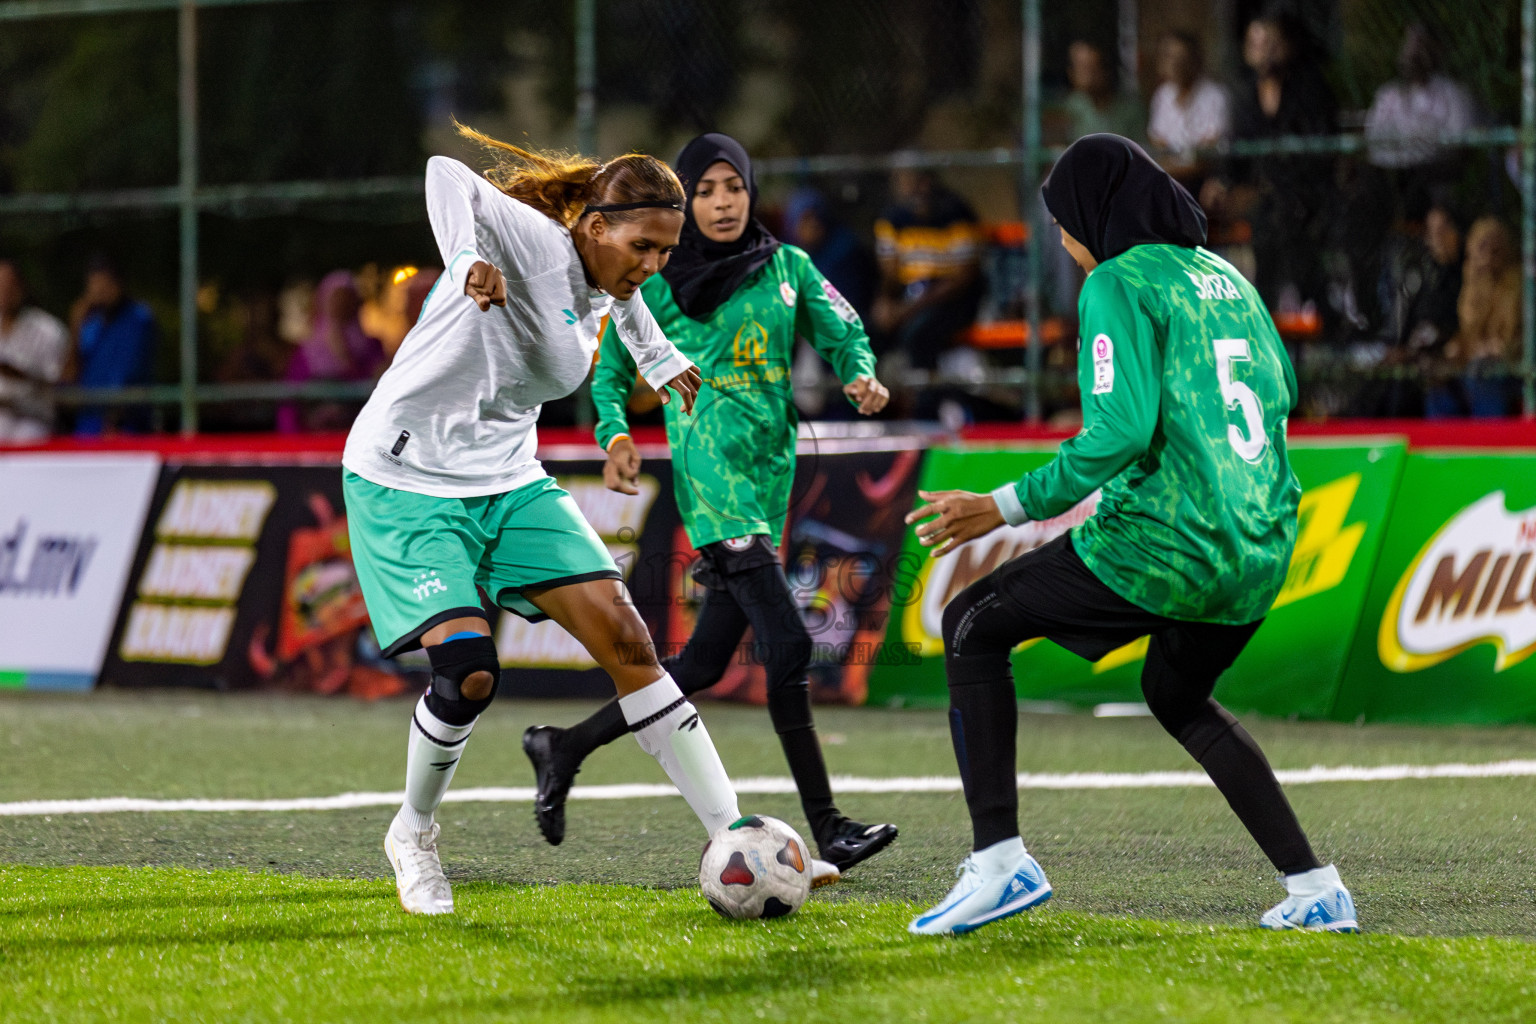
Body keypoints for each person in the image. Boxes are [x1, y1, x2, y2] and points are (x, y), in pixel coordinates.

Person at [904, 135, 1356, 937]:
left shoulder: (1118, 281)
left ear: (1092, 214)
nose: (1068, 247)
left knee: (971, 623)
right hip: (1258, 548)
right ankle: (1316, 886)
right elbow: (1282, 388)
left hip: (1165, 543)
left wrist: (1003, 504)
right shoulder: (1226, 277)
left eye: (1064, 227)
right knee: (1175, 693)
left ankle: (1001, 862)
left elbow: (1116, 433)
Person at [341, 125, 741, 915]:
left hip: (511, 479)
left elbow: (620, 309)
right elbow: (443, 172)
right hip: (406, 476)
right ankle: (413, 834)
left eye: (666, 251)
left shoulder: (614, 282)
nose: (653, 265)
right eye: (643, 247)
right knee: (469, 672)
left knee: (632, 646)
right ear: (593, 227)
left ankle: (735, 835)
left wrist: (658, 356)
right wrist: (463, 259)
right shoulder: (528, 240)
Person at [523, 133, 897, 888]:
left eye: (735, 187)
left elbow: (843, 326)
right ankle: (829, 825)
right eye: (708, 190)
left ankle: (566, 745)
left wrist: (859, 375)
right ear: (685, 202)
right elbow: (610, 371)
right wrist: (618, 433)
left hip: (770, 475)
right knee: (790, 647)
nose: (723, 202)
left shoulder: (788, 267)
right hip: (711, 475)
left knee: (699, 663)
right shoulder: (654, 281)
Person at [1203, 13, 1336, 315]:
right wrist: (1222, 181)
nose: (1264, 50)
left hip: (1306, 191)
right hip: (1260, 194)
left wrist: (1265, 187)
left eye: (1271, 43)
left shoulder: (1309, 87)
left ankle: (1300, 308)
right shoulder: (1247, 95)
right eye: (1256, 43)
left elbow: (1318, 152)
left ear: (1288, 46)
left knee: (1277, 219)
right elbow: (1236, 150)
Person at [872, 166, 983, 372]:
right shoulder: (893, 218)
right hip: (909, 297)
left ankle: (929, 401)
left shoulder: (955, 214)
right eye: (907, 181)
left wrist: (909, 309)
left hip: (950, 300)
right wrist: (885, 301)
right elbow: (889, 274)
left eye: (920, 179)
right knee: (866, 331)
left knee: (919, 333)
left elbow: (962, 278)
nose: (917, 188)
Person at [1431, 216, 1521, 417]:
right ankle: (1444, 441)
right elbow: (1468, 330)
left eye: (1492, 247)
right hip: (1474, 359)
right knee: (1440, 380)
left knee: (1480, 373)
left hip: (1511, 365)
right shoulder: (1471, 281)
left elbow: (1511, 336)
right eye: (1480, 247)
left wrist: (1496, 348)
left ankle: (1489, 439)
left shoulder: (1516, 283)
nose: (1486, 255)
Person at [277, 270, 386, 433]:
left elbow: (377, 390)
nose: (341, 304)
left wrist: (346, 357)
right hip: (312, 437)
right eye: (336, 298)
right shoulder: (306, 350)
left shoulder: (371, 347)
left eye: (347, 298)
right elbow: (291, 397)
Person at [72, 255, 157, 436]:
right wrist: (75, 324)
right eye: (94, 284)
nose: (100, 290)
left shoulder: (138, 318)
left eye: (105, 283)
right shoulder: (91, 322)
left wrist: (113, 420)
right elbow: (73, 373)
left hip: (125, 426)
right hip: (88, 424)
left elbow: (130, 374)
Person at [1146, 31, 1230, 188]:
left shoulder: (1215, 96)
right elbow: (1158, 145)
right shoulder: (1162, 96)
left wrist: (1172, 166)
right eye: (1169, 56)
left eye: (1181, 57)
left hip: (1206, 180)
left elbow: (1208, 154)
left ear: (1195, 60)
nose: (1175, 63)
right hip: (1168, 180)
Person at [0, 260, 69, 443]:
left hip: (34, 418)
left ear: (22, 287)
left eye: (10, 286)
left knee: (28, 439)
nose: (4, 293)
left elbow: (60, 381)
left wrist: (21, 373)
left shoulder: (48, 329)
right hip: (2, 416)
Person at [1061, 40, 1144, 144]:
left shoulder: (1130, 109)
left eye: (1091, 68)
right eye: (1080, 68)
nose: (1087, 76)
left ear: (1106, 71)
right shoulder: (1073, 106)